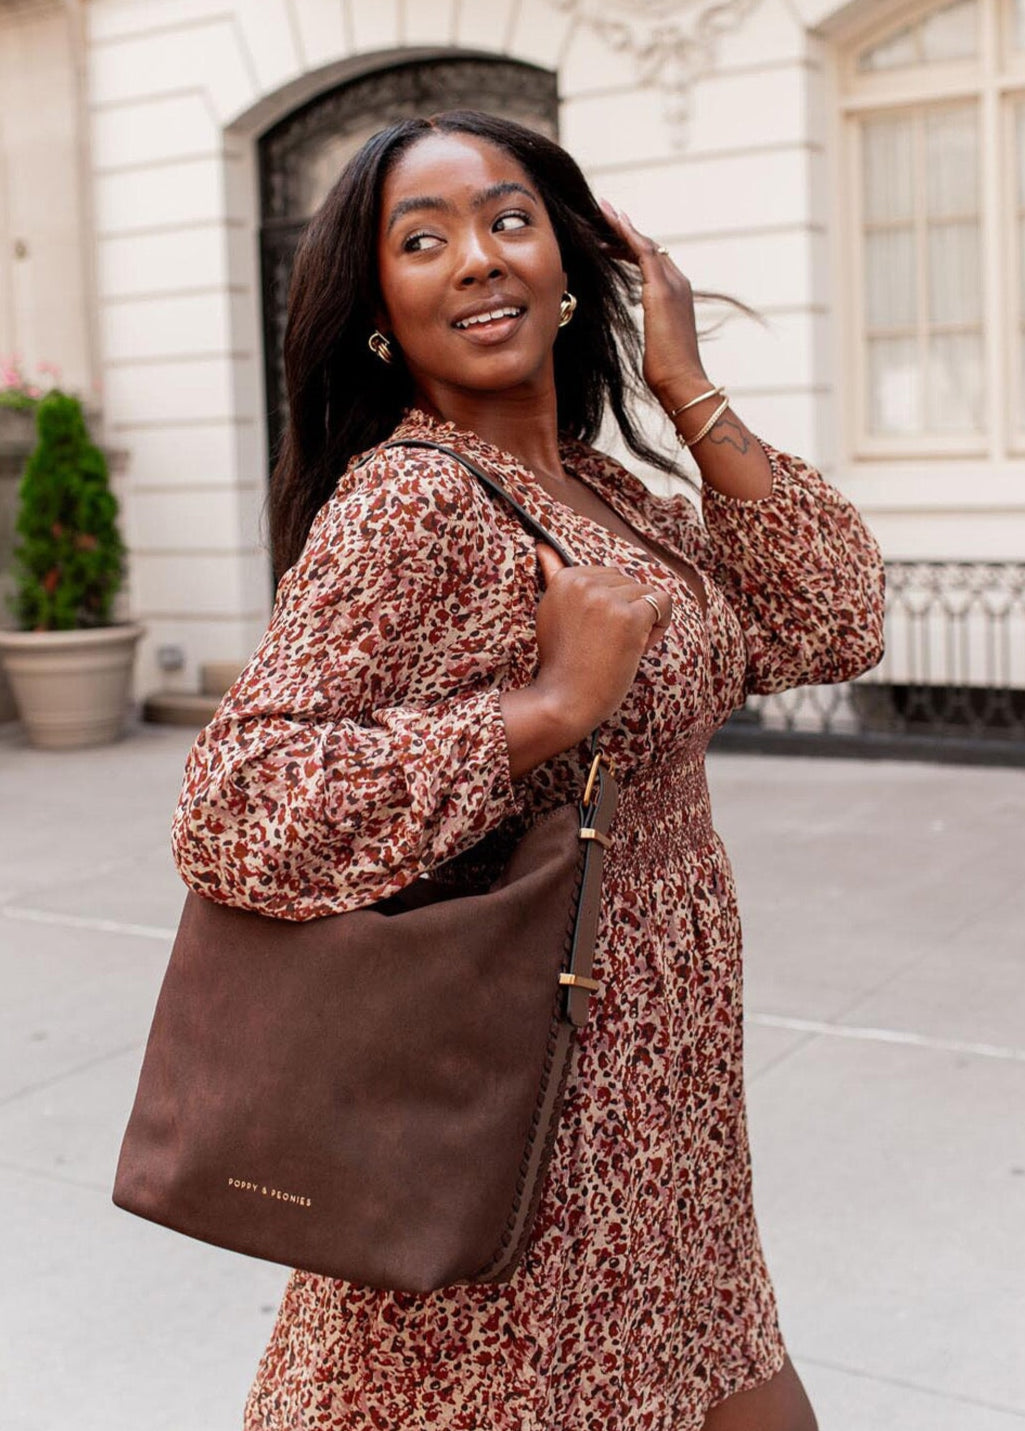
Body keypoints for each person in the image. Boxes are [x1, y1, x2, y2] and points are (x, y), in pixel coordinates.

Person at [171, 110, 884, 1431]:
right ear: (379, 309)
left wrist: (683, 384)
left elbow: (829, 620)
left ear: (570, 263)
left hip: (658, 1102)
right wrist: (544, 713)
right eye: (422, 239)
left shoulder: (596, 490)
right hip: (532, 1110)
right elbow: (235, 806)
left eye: (507, 220)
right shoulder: (417, 502)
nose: (477, 260)